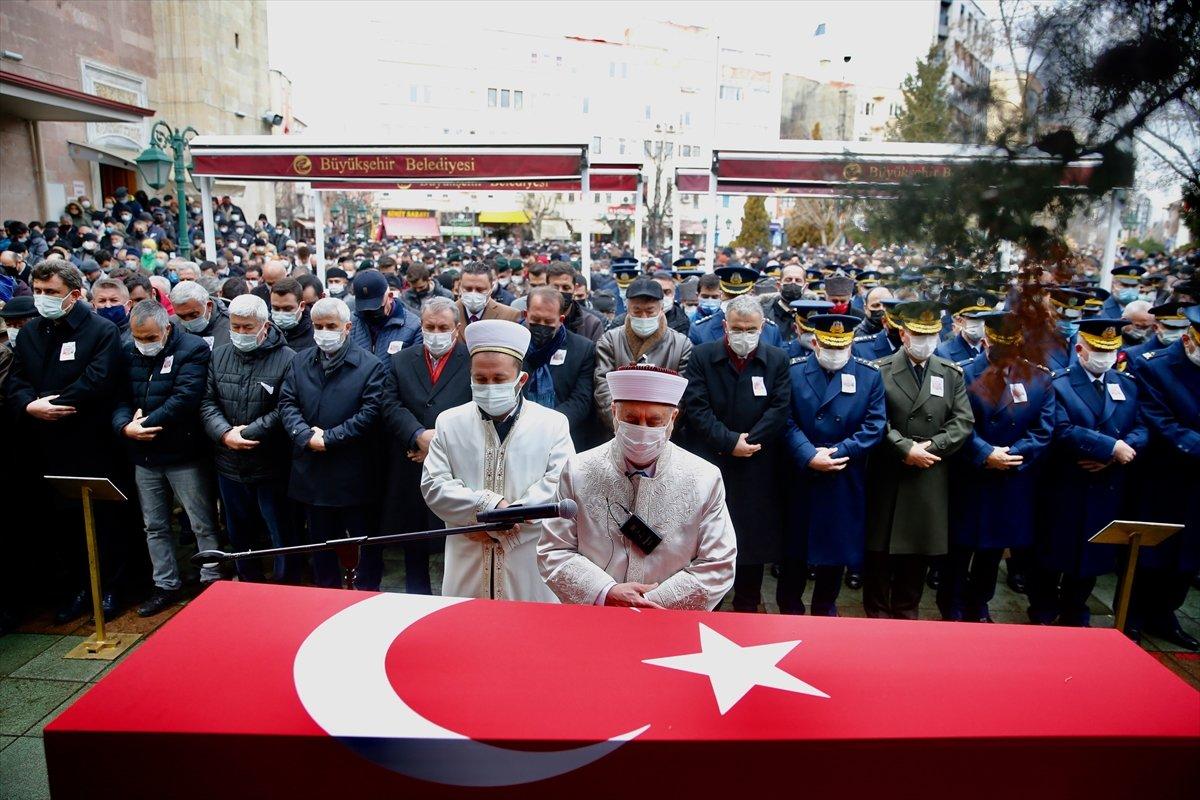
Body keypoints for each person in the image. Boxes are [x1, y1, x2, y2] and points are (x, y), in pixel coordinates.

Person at [539, 364, 737, 609]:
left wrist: (651, 603)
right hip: (596, 617)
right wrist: (605, 591)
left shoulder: (704, 478)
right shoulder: (577, 470)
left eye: (654, 421)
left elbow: (719, 562)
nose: (642, 430)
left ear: (673, 418)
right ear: (614, 412)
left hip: (669, 623)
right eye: (631, 419)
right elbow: (555, 549)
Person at [5, 259, 128, 622]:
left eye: (51, 293)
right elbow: (16, 379)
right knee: (66, 523)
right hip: (48, 445)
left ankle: (111, 589)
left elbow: (97, 380)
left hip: (91, 441)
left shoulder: (100, 331)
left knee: (106, 520)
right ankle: (80, 588)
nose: (42, 298)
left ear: (73, 295)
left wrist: (54, 404)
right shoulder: (31, 333)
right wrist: (30, 405)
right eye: (39, 291)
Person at [421, 319, 574, 602]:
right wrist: (486, 508)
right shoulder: (449, 423)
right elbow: (434, 485)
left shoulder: (552, 424)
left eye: (499, 379)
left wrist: (508, 518)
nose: (489, 386)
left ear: (521, 380)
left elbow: (561, 484)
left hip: (528, 559)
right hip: (467, 554)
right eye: (480, 379)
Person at [936, 312, 1055, 623]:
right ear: (987, 342)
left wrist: (1013, 454)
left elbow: (1044, 428)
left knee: (992, 552)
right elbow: (954, 421)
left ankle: (980, 604)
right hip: (969, 474)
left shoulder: (1038, 378)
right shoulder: (959, 374)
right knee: (958, 550)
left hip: (1010, 477)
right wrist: (984, 453)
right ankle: (951, 604)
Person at [1029, 318, 1146, 627]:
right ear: (1080, 349)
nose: (1104, 357)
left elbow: (1140, 427)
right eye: (1098, 349)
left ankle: (1075, 611)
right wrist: (1109, 447)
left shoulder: (1127, 385)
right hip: (1066, 483)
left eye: (1111, 351)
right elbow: (1061, 429)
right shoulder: (1058, 383)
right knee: (1052, 553)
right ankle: (1042, 610)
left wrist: (1116, 454)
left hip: (1105, 484)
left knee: (1092, 556)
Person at [864, 301, 974, 619]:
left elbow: (962, 421)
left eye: (932, 334)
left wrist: (931, 447)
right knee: (879, 557)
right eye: (918, 334)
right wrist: (903, 448)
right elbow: (874, 420)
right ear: (903, 334)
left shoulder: (950, 373)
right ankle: (876, 618)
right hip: (889, 475)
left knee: (916, 560)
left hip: (929, 476)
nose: (926, 341)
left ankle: (906, 618)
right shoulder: (880, 370)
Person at [681, 294, 790, 612]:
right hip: (712, 460)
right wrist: (729, 442)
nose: (745, 335)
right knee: (706, 540)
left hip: (756, 465)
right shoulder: (702, 356)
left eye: (751, 329)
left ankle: (747, 605)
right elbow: (696, 407)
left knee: (751, 544)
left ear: (762, 327)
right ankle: (708, 605)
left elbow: (780, 407)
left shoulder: (777, 359)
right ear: (725, 326)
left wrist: (749, 442)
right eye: (738, 328)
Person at [113, 300, 219, 616]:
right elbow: (119, 397)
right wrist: (124, 427)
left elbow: (185, 398)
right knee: (155, 525)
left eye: (149, 338)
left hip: (183, 452)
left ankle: (212, 579)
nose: (143, 344)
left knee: (201, 522)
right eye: (137, 337)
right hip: (143, 455)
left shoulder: (192, 348)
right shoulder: (127, 349)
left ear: (166, 328)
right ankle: (165, 584)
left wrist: (143, 423)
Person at [279, 297, 388, 590]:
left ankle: (366, 592)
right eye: (318, 326)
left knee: (364, 542)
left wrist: (329, 438)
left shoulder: (370, 366)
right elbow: (287, 402)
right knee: (320, 543)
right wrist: (306, 436)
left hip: (353, 474)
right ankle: (326, 593)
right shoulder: (300, 360)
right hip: (312, 473)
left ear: (347, 327)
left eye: (331, 326)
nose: (324, 332)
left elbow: (369, 414)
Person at [780, 314, 886, 616]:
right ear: (815, 342)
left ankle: (826, 612)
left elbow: (875, 425)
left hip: (843, 476)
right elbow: (784, 420)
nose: (836, 353)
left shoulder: (869, 375)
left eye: (842, 347)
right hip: (802, 474)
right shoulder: (794, 372)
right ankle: (789, 612)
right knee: (794, 555)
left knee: (834, 553)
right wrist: (808, 454)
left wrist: (839, 452)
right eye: (829, 346)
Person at [200, 294, 300, 584]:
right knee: (238, 532)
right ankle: (248, 581)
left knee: (280, 530)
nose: (240, 333)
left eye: (247, 327)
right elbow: (207, 402)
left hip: (270, 464)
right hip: (229, 462)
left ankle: (285, 584)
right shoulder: (219, 355)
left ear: (264, 327)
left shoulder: (287, 359)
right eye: (236, 326)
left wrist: (248, 433)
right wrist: (225, 433)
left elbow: (286, 408)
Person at [380, 296, 472, 595]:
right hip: (410, 462)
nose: (436, 332)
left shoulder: (471, 360)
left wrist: (437, 442)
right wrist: (418, 435)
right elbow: (390, 404)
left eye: (443, 326)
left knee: (455, 540)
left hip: (455, 464)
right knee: (413, 540)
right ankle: (415, 595)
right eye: (430, 326)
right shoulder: (401, 360)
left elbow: (475, 408)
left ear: (456, 329)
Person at [1127, 305, 1200, 648]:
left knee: (1189, 552)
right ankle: (1133, 616)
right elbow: (1157, 419)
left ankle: (1165, 614)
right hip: (1163, 475)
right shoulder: (1153, 365)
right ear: (1188, 339)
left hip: (1197, 483)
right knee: (1152, 551)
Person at [593, 277, 692, 431]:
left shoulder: (681, 344)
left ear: (661, 309)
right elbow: (603, 388)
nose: (644, 317)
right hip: (619, 427)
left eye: (650, 311)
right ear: (627, 308)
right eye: (637, 311)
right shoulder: (610, 340)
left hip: (663, 431)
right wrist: (620, 425)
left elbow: (683, 394)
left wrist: (661, 428)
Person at [521, 287, 597, 450]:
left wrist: (548, 425)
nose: (541, 326)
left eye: (548, 322)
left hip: (563, 438)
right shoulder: (512, 344)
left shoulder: (582, 349)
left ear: (561, 319)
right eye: (535, 319)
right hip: (519, 435)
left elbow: (581, 401)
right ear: (526, 315)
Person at [689, 264, 784, 347]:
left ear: (751, 294)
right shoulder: (701, 330)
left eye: (741, 296)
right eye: (730, 295)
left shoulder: (771, 331)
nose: (735, 301)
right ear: (721, 294)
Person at [349, 269, 421, 360]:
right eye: (365, 308)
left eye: (376, 307)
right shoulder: (350, 324)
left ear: (390, 297)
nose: (370, 313)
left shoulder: (413, 327)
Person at [936, 291, 998, 367]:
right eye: (975, 319)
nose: (982, 323)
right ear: (960, 321)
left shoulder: (996, 350)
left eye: (986, 318)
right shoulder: (943, 352)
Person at [547, 263, 606, 342]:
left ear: (574, 288)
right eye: (555, 287)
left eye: (566, 287)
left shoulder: (592, 325)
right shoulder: (535, 320)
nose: (560, 291)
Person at [170, 279, 230, 351]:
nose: (188, 321)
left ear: (209, 306)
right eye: (181, 316)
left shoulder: (231, 327)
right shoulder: (172, 326)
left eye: (193, 315)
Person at [456, 262, 520, 330]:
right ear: (460, 286)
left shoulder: (510, 316)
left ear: (491, 288)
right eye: (468, 289)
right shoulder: (448, 313)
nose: (473, 293)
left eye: (480, 289)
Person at [269, 276, 316, 350]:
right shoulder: (265, 332)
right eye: (276, 308)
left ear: (302, 306)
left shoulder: (316, 333)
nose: (281, 314)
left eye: (287, 309)